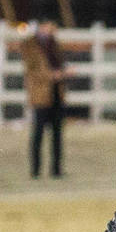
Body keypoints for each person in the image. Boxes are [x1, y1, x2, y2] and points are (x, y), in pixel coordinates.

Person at [22, 19, 67, 178]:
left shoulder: (54, 45)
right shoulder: (30, 45)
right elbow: (32, 70)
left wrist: (61, 74)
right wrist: (52, 76)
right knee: (38, 135)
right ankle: (35, 170)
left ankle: (56, 169)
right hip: (41, 95)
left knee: (57, 135)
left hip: (55, 94)